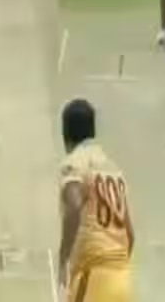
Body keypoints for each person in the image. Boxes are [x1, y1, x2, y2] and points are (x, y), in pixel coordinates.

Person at [57, 99, 135, 302]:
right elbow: (130, 234)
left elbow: (74, 206)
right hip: (123, 281)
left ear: (65, 134)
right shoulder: (114, 170)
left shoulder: (74, 163)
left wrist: (63, 258)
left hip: (93, 277)